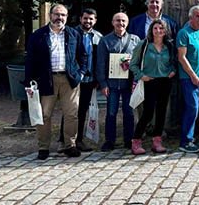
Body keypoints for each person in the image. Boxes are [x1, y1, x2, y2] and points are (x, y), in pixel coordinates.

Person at [24, 4, 87, 160]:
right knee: (44, 115)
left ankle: (70, 145)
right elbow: (30, 60)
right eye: (56, 14)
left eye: (63, 15)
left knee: (71, 114)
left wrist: (81, 74)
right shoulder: (38, 35)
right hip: (46, 80)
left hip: (69, 80)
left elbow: (83, 56)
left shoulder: (74, 34)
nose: (59, 17)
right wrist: (29, 82)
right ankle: (43, 147)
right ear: (50, 15)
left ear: (67, 16)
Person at [96, 12, 140, 152]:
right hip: (112, 84)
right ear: (112, 22)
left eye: (123, 21)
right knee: (111, 113)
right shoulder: (105, 40)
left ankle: (129, 140)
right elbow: (101, 63)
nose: (120, 23)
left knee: (129, 112)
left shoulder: (135, 40)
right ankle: (110, 141)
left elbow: (139, 61)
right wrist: (103, 84)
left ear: (127, 23)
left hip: (129, 84)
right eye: (118, 20)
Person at [130, 19, 176, 154]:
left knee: (162, 112)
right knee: (148, 113)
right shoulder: (144, 45)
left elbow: (174, 61)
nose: (158, 31)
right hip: (149, 81)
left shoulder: (169, 46)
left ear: (165, 31)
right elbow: (133, 64)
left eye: (161, 28)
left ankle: (157, 142)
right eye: (155, 28)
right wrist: (141, 75)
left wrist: (173, 70)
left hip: (165, 81)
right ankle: (136, 141)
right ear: (151, 30)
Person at [61, 8, 102, 152]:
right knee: (69, 110)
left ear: (95, 20)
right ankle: (64, 141)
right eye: (85, 18)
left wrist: (98, 78)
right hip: (73, 78)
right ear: (80, 19)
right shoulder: (71, 34)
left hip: (89, 80)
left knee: (82, 110)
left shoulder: (98, 37)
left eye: (91, 19)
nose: (88, 21)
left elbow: (99, 60)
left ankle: (78, 140)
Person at [177, 5, 199, 153]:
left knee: (197, 109)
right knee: (192, 107)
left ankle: (191, 136)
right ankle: (185, 141)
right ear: (191, 18)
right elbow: (182, 57)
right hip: (189, 78)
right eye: (198, 16)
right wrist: (193, 75)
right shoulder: (184, 33)